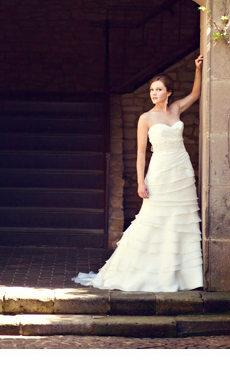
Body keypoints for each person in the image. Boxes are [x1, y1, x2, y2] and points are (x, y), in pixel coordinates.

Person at [73, 54, 205, 292]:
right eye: (152, 90)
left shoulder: (175, 109)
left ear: (169, 93)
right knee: (153, 220)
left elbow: (195, 94)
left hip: (182, 172)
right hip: (160, 171)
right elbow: (142, 153)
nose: (154, 93)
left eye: (159, 89)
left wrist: (197, 70)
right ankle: (145, 271)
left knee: (180, 220)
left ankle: (183, 276)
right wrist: (140, 182)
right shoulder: (145, 118)